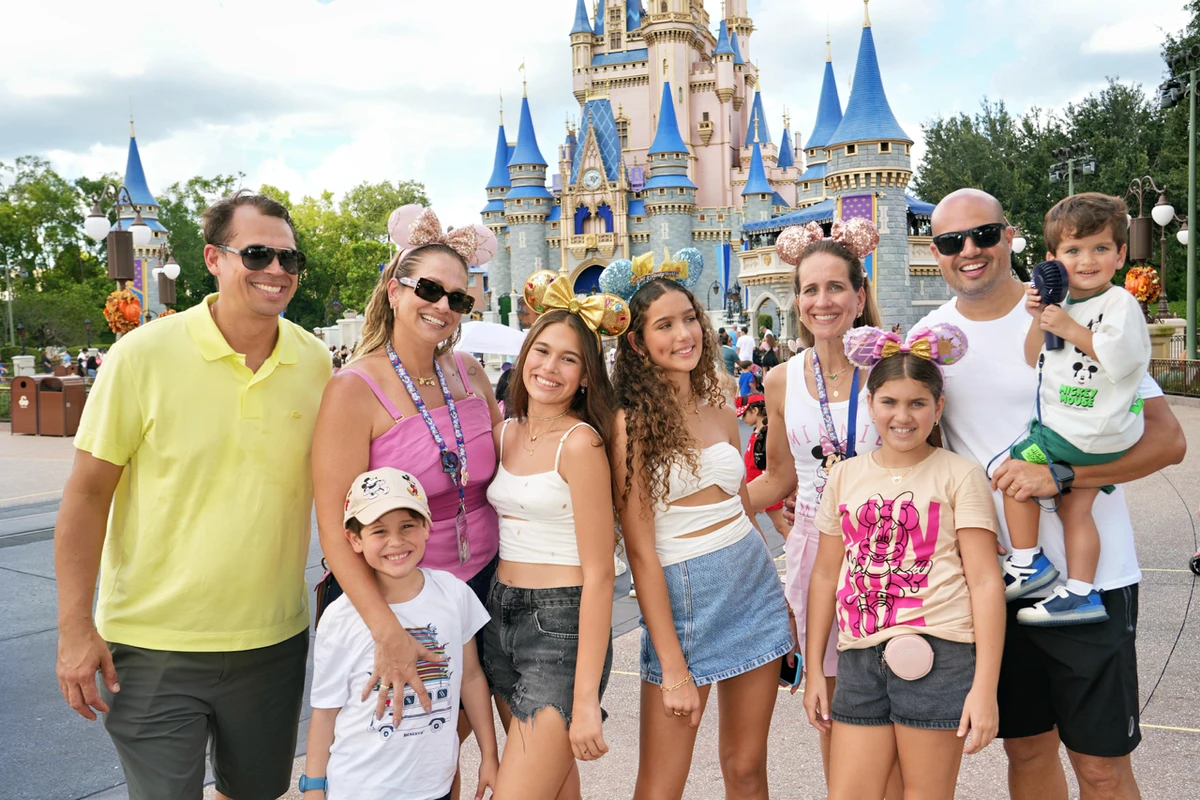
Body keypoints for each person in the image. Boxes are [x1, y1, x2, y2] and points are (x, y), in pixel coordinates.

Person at [54, 191, 330, 800]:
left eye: (290, 258)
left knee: (255, 793)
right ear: (213, 258)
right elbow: (85, 498)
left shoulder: (315, 363)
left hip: (271, 641)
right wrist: (75, 629)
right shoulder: (139, 357)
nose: (277, 271)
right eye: (257, 254)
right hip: (153, 644)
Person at [918, 188, 1186, 799]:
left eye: (983, 235)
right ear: (935, 252)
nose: (970, 251)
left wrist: (1061, 477)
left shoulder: (1083, 310)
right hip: (995, 583)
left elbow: (1168, 442)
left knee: (1100, 767)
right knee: (1028, 752)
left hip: (1091, 580)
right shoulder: (931, 336)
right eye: (951, 242)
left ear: (1009, 236)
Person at [312, 205, 502, 800]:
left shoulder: (472, 373)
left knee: (444, 743)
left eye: (458, 299)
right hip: (400, 593)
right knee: (394, 740)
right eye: (428, 289)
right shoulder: (353, 389)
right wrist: (385, 628)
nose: (442, 306)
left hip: (487, 587)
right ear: (394, 291)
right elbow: (333, 527)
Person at [605, 261, 792, 800]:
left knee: (747, 769)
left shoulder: (717, 404)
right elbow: (640, 552)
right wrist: (672, 665)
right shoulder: (629, 423)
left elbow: (741, 508)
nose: (684, 334)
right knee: (661, 786)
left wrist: (778, 596)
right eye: (664, 325)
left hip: (753, 585)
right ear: (637, 343)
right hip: (684, 600)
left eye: (688, 319)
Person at [805, 323, 1005, 800]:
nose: (903, 416)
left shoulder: (961, 475)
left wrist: (985, 689)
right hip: (859, 658)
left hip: (940, 655)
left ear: (938, 408)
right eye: (889, 402)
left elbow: (983, 581)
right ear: (870, 405)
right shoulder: (845, 477)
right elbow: (825, 576)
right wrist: (815, 669)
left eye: (917, 403)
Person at [745, 219, 898, 794]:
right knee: (832, 709)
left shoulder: (890, 364)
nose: (822, 300)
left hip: (890, 547)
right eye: (810, 289)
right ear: (797, 301)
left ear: (860, 296)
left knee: (899, 702)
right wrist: (715, 510)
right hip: (817, 548)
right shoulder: (782, 378)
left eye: (835, 287)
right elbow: (780, 474)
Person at [481, 275, 622, 799]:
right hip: (498, 616)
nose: (550, 367)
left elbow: (601, 574)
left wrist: (586, 700)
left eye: (569, 359)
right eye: (542, 350)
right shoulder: (505, 431)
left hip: (559, 625)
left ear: (586, 377)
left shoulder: (581, 444)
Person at [1002, 193, 1150, 626]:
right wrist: (1041, 316)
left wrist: (1069, 327)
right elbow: (1035, 357)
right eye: (1073, 250)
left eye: (1101, 248)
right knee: (1075, 510)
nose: (1087, 260)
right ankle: (1082, 592)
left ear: (1120, 254)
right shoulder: (1063, 303)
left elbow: (1121, 358)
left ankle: (1029, 563)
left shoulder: (1119, 302)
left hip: (1082, 430)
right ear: (1052, 259)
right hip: (1093, 434)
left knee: (1013, 471)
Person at [305, 467, 496, 800]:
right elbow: (324, 712)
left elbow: (471, 678)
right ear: (354, 539)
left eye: (408, 525)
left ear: (427, 527)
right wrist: (313, 790)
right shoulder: (340, 616)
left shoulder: (454, 594)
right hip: (361, 789)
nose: (396, 541)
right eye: (379, 531)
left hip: (434, 786)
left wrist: (489, 755)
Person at [736, 394, 788, 537]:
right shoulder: (757, 432)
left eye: (745, 414)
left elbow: (771, 462)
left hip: (765, 484)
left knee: (780, 525)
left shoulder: (768, 432)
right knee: (749, 521)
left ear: (755, 411)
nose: (743, 419)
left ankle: (797, 553)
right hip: (754, 485)